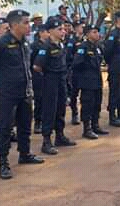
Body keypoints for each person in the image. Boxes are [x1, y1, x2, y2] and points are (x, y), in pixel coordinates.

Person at [0, 9, 44, 179]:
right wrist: (3, 79)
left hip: (25, 91)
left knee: (24, 124)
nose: (29, 26)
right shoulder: (0, 43)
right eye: (25, 22)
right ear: (14, 25)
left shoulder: (24, 43)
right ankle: (3, 162)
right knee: (5, 127)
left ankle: (25, 154)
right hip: (7, 93)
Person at [33, 17, 77, 155]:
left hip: (61, 80)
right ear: (50, 31)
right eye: (60, 29)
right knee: (49, 110)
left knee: (60, 109)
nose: (63, 31)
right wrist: (49, 75)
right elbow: (37, 66)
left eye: (63, 29)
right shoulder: (45, 46)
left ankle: (60, 136)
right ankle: (46, 141)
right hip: (50, 81)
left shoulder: (61, 44)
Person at [73, 24, 109, 140]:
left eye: (97, 32)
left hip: (97, 79)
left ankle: (95, 125)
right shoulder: (83, 47)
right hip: (87, 81)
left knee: (97, 103)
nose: (97, 34)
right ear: (87, 34)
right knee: (87, 104)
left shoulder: (97, 47)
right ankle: (87, 129)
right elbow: (77, 64)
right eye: (94, 32)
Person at [30, 25, 49, 134]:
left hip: (47, 76)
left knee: (47, 99)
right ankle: (38, 122)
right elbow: (31, 61)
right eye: (47, 32)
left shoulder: (49, 45)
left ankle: (45, 121)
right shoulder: (35, 46)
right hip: (37, 75)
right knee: (39, 99)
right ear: (41, 33)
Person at [66, 20, 85, 125]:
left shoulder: (86, 40)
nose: (81, 28)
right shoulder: (71, 41)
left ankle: (85, 114)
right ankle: (74, 113)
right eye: (79, 27)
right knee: (74, 93)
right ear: (75, 28)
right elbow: (68, 56)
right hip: (75, 71)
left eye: (82, 26)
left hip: (85, 71)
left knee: (86, 94)